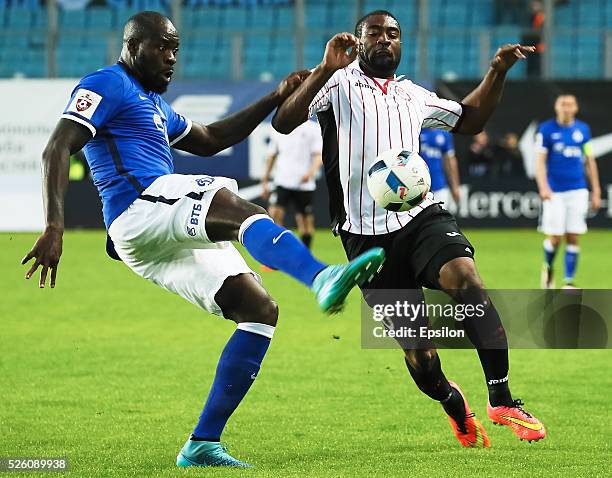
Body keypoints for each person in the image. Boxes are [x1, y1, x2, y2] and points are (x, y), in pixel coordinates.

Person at [20, 11, 385, 468]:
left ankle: (202, 444)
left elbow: (210, 139)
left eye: (176, 49)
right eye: (162, 48)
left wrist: (274, 97)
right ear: (132, 46)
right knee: (235, 205)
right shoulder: (106, 84)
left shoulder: (154, 103)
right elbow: (56, 147)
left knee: (259, 310)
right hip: (138, 207)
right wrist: (54, 226)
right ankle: (321, 277)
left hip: (154, 235)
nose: (171, 58)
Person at [273, 10, 546, 449]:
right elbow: (283, 122)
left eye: (393, 34)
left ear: (401, 44)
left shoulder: (413, 95)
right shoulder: (337, 83)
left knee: (468, 282)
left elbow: (470, 120)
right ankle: (453, 404)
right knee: (420, 353)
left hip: (420, 217)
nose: (385, 39)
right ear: (359, 42)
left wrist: (496, 72)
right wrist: (325, 67)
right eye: (375, 33)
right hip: (364, 236)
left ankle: (501, 398)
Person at [536, 94, 601, 288]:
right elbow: (539, 161)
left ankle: (569, 281)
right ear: (556, 107)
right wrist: (543, 186)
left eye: (570, 104)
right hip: (554, 191)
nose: (566, 107)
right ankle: (547, 266)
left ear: (576, 107)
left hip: (578, 190)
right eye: (563, 104)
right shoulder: (546, 130)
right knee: (555, 238)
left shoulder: (583, 130)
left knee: (573, 235)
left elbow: (589, 161)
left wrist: (596, 190)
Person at [261, 118, 323, 249]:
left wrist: (311, 173)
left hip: (304, 184)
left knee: (305, 222)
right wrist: (265, 180)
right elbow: (271, 155)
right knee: (274, 215)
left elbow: (318, 155)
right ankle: (278, 250)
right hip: (282, 180)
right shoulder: (279, 127)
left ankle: (305, 254)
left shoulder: (312, 128)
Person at [419, 128, 460, 210]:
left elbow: (450, 160)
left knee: (440, 218)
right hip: (419, 186)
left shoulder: (445, 133)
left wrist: (455, 186)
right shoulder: (418, 131)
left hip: (439, 185)